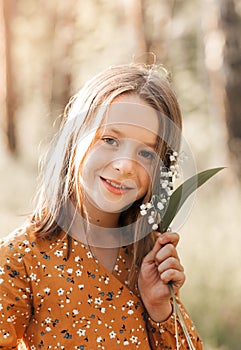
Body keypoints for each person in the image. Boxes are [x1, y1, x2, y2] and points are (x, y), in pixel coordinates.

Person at [0, 63, 203, 349]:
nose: (125, 166)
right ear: (74, 138)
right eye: (109, 139)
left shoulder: (148, 255)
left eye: (146, 152)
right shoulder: (22, 258)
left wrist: (160, 310)